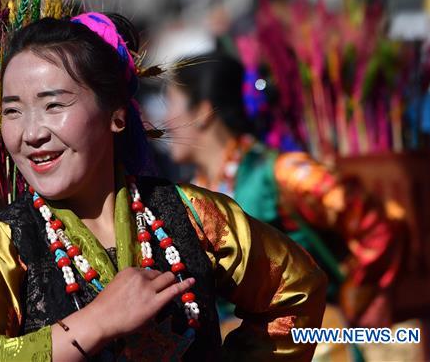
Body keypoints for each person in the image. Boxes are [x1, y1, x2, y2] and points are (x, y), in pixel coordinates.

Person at [0, 13, 327, 361]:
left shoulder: (194, 215)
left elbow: (296, 287)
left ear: (116, 115)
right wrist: (96, 323)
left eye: (53, 104)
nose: (31, 133)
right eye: (12, 111)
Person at [163, 52, 401, 332]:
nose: (164, 120)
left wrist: (357, 296)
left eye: (171, 104)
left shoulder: (280, 173)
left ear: (203, 113)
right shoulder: (186, 197)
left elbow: (373, 223)